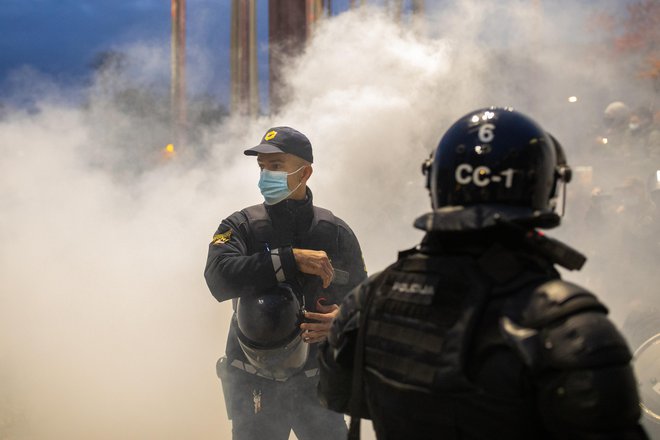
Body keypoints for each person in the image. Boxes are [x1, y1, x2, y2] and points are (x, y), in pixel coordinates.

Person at [317, 107, 648, 439]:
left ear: (436, 183)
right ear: (545, 186)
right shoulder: (567, 323)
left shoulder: (372, 296)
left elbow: (341, 395)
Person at [205, 126, 367, 440]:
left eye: (276, 166)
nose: (266, 174)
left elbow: (365, 299)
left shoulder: (335, 232)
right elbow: (218, 278)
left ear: (304, 173)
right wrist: (289, 260)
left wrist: (342, 319)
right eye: (262, 167)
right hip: (255, 388)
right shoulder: (241, 226)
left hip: (318, 386)